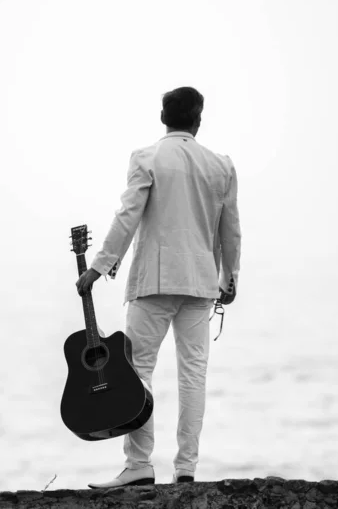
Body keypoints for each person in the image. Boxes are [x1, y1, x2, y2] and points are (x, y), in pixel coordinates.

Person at [76, 86, 241, 488]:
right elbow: (230, 229)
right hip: (201, 284)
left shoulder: (147, 157)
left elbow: (128, 215)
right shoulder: (221, 166)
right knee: (193, 376)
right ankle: (186, 469)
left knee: (136, 372)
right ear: (197, 120)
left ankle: (139, 465)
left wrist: (98, 267)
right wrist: (229, 278)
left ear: (162, 116)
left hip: (154, 281)